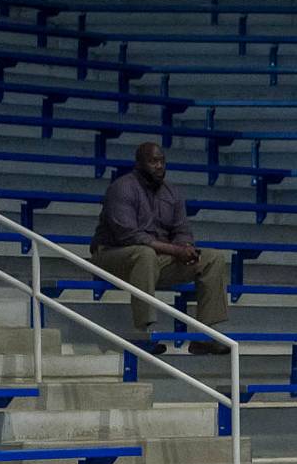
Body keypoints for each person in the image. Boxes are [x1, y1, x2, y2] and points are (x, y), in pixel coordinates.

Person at [90, 141, 229, 355]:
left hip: (156, 259)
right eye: (153, 161)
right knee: (144, 253)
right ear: (139, 164)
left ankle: (206, 335)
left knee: (213, 258)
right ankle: (143, 332)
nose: (159, 166)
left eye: (162, 161)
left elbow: (182, 230)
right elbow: (129, 236)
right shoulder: (122, 188)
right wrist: (175, 251)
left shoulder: (172, 193)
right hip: (112, 255)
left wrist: (186, 247)